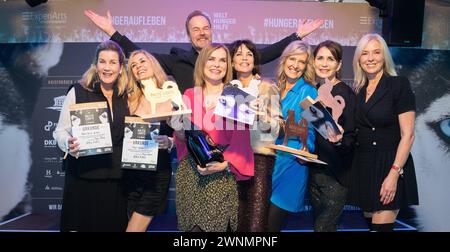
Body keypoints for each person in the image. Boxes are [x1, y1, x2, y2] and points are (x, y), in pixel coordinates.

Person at [84, 9, 323, 93]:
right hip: (189, 131)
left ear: (212, 31)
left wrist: (297, 35)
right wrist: (113, 32)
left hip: (224, 131)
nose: (201, 32)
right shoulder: (178, 60)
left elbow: (263, 54)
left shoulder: (228, 56)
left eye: (205, 28)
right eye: (195, 29)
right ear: (188, 35)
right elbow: (141, 55)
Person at [173, 44, 254, 232]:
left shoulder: (237, 97)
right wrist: (177, 129)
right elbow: (182, 139)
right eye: (211, 59)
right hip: (190, 175)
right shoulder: (189, 95)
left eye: (222, 60)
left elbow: (242, 143)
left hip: (220, 174)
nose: (217, 64)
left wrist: (225, 165)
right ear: (202, 63)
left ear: (228, 66)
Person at [53, 40, 130, 231]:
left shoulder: (127, 96)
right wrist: (68, 143)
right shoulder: (78, 91)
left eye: (113, 62)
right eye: (102, 62)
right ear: (96, 66)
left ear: (121, 68)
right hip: (83, 181)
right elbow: (60, 131)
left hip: (115, 184)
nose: (107, 67)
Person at [347, 33, 419, 232]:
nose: (370, 58)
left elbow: (408, 135)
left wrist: (394, 174)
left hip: (389, 165)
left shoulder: (398, 84)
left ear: (384, 56)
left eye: (376, 52)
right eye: (365, 53)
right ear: (359, 60)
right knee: (372, 227)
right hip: (365, 166)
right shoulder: (360, 89)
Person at [228, 39, 282, 232]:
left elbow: (276, 129)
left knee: (255, 224)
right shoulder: (227, 89)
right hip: (230, 162)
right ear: (231, 61)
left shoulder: (267, 86)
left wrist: (261, 116)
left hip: (258, 159)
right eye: (239, 54)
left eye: (249, 54)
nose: (244, 58)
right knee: (232, 223)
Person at [267, 40, 317, 232]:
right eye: (292, 59)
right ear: (284, 59)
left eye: (302, 62)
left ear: (306, 66)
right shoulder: (274, 87)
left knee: (271, 228)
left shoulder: (308, 91)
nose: (295, 65)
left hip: (291, 165)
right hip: (269, 164)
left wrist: (307, 148)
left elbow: (312, 129)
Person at [123, 49, 174, 232]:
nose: (138, 67)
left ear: (153, 63)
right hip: (129, 174)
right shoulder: (128, 100)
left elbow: (183, 135)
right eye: (134, 66)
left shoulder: (172, 95)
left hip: (156, 175)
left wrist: (170, 142)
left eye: (142, 61)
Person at [308, 40, 356, 232]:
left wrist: (339, 141)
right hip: (315, 175)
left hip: (335, 177)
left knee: (323, 228)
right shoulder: (314, 93)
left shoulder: (345, 93)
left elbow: (351, 140)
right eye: (320, 58)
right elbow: (317, 138)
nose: (324, 63)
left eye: (330, 59)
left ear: (339, 64)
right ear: (313, 62)